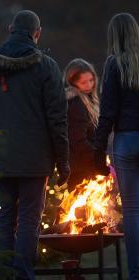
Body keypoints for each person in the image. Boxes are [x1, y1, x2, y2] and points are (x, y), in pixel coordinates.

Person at [0, 10, 70, 280]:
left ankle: (3, 274)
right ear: (37, 33)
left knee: (5, 217)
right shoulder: (46, 67)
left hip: (0, 155)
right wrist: (63, 162)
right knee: (29, 219)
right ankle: (23, 275)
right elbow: (57, 118)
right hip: (35, 159)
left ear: (10, 29)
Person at [94, 13, 139, 280]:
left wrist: (98, 152)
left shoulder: (113, 64)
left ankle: (135, 272)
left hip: (126, 140)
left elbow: (107, 113)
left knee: (133, 210)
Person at [63, 59, 99, 191]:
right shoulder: (76, 103)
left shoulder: (88, 99)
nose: (89, 85)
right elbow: (78, 139)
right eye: (83, 82)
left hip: (86, 164)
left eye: (91, 80)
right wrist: (97, 158)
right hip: (81, 168)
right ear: (73, 83)